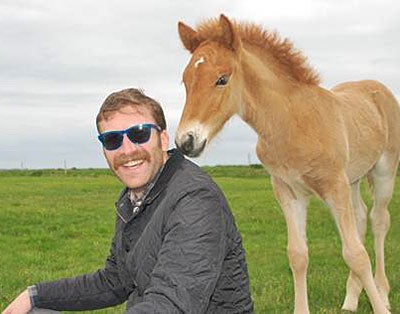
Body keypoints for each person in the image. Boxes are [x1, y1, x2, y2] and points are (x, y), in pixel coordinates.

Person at [3, 88, 254, 314]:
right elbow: (115, 281)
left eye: (139, 134)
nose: (127, 150)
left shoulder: (195, 199)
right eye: (112, 140)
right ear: (104, 151)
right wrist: (34, 295)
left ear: (163, 139)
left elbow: (172, 304)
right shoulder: (135, 197)